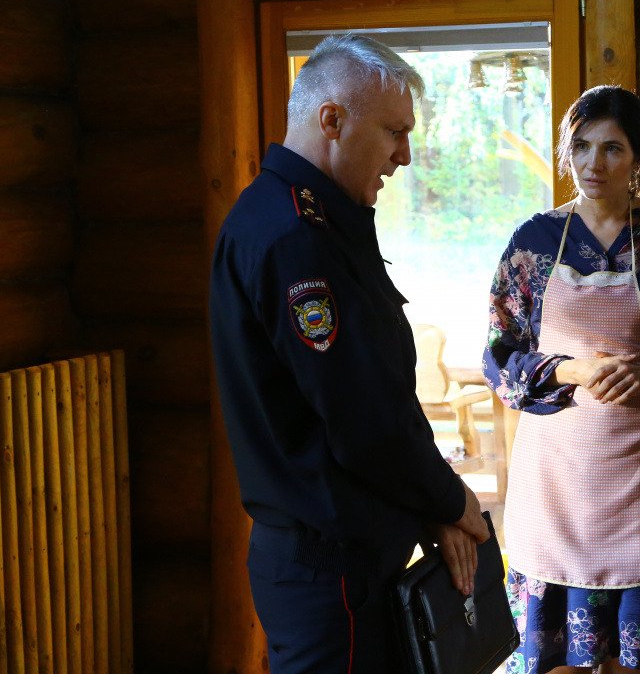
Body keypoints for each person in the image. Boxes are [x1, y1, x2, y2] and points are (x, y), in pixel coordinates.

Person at [208, 34, 489, 674]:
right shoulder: (293, 238)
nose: (405, 155)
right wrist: (450, 501)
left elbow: (379, 389)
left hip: (349, 557)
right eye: (395, 132)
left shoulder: (318, 222)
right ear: (332, 120)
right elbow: (364, 421)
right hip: (326, 566)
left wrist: (430, 508)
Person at [485, 85, 640, 673]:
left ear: (639, 158)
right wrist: (571, 369)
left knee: (626, 658)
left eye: (613, 148)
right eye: (582, 147)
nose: (594, 163)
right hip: (558, 474)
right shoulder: (534, 242)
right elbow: (499, 353)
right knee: (559, 661)